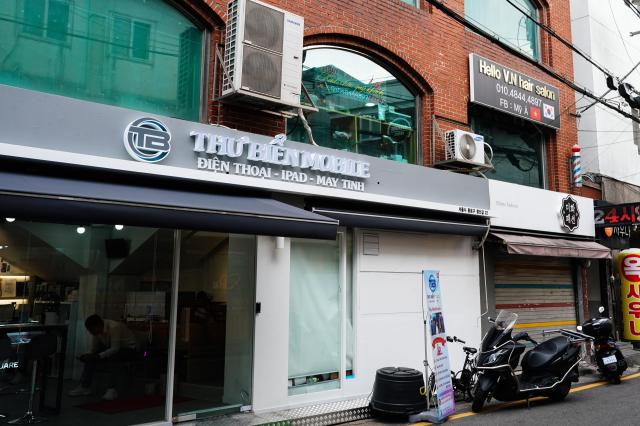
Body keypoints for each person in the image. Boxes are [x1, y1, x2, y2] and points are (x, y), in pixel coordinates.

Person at [68, 314, 139, 400]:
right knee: (91, 358)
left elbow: (115, 348)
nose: (91, 332)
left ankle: (112, 388)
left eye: (91, 330)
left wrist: (98, 356)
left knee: (114, 356)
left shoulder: (114, 327)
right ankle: (85, 386)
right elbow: (94, 348)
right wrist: (89, 355)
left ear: (98, 325)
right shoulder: (97, 331)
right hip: (113, 347)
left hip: (130, 349)